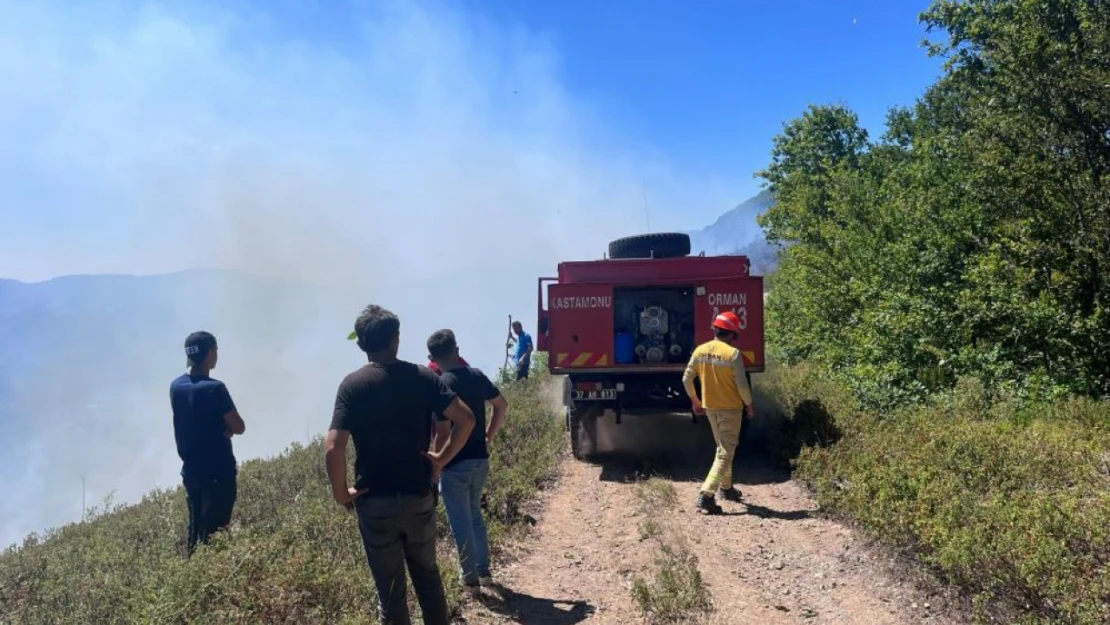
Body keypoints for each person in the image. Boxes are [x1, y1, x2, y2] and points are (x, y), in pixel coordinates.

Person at [325, 304, 476, 625]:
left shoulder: (352, 386)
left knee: (390, 592)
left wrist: (342, 494)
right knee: (429, 578)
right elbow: (466, 420)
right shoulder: (424, 377)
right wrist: (440, 460)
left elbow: (333, 448)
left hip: (374, 500)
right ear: (395, 339)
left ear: (361, 344)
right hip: (418, 493)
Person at [426, 329, 508, 596]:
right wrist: (489, 435)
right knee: (474, 516)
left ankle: (470, 580)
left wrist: (436, 466)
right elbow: (501, 405)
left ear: (432, 358)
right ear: (457, 350)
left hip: (455, 464)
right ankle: (484, 573)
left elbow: (441, 433)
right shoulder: (476, 375)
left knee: (460, 521)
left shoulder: (440, 386)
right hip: (479, 460)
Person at [170, 331, 246, 556]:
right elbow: (239, 426)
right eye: (216, 350)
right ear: (210, 353)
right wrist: (227, 428)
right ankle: (213, 582)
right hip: (218, 472)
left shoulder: (176, 387)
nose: (217, 355)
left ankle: (192, 573)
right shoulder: (215, 388)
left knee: (195, 532)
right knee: (216, 534)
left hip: (191, 472)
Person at [681, 312, 755, 515]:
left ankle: (727, 488)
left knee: (723, 448)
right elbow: (741, 384)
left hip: (710, 407)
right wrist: (749, 404)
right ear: (732, 334)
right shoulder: (733, 354)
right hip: (730, 409)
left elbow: (686, 379)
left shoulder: (700, 350)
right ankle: (706, 495)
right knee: (725, 452)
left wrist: (696, 401)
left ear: (715, 330)